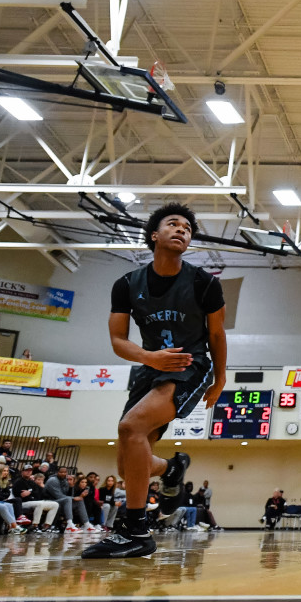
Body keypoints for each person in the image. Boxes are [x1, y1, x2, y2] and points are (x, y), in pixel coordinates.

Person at [82, 203, 228, 559]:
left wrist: (220, 378)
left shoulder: (204, 283)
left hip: (189, 365)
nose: (182, 230)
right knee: (127, 463)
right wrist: (149, 358)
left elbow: (217, 335)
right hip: (149, 367)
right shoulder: (127, 284)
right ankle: (172, 467)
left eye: (188, 229)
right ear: (154, 235)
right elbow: (118, 340)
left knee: (130, 427)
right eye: (173, 224)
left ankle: (135, 530)